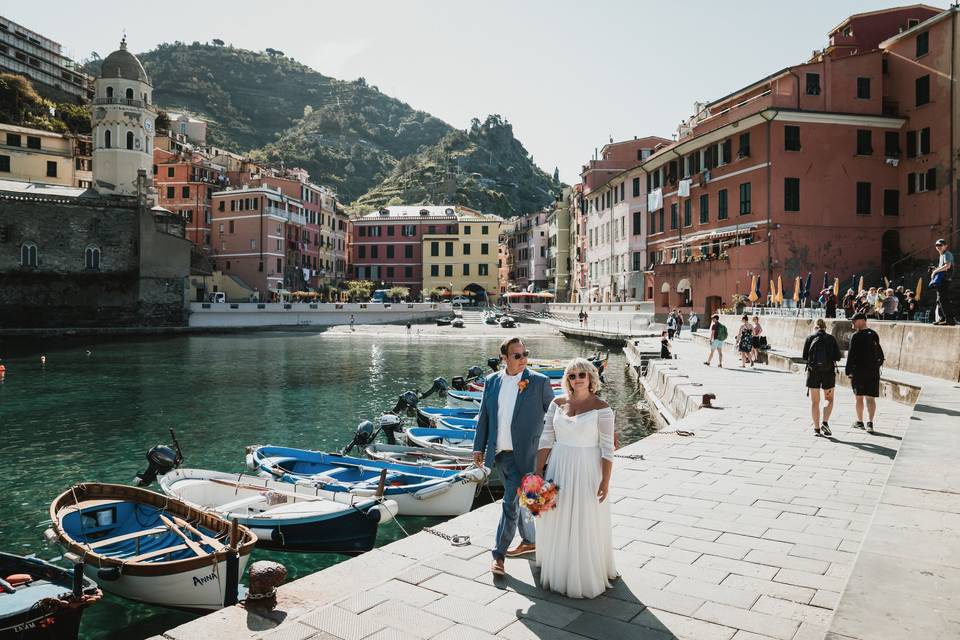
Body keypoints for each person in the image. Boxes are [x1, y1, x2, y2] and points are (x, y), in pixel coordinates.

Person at [535, 357, 617, 599]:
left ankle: (583, 574)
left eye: (582, 374)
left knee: (583, 517)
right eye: (572, 375)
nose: (577, 379)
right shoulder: (556, 403)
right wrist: (539, 472)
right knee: (557, 516)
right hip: (558, 466)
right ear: (567, 379)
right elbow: (546, 439)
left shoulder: (602, 407)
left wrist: (605, 480)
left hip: (587, 468)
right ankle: (559, 567)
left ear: (591, 377)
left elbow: (607, 448)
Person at [472, 337, 554, 576]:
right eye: (516, 355)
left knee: (509, 503)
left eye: (524, 354)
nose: (522, 359)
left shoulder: (539, 382)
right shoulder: (491, 381)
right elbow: (484, 417)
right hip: (499, 454)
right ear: (504, 358)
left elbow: (554, 417)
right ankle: (529, 540)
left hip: (526, 454)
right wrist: (479, 447)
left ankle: (498, 556)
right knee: (522, 500)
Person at [802, 319, 842, 436]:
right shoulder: (831, 339)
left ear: (815, 327)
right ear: (825, 327)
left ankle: (816, 429)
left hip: (813, 372)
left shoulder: (810, 338)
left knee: (815, 402)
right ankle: (825, 422)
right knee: (829, 399)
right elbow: (838, 357)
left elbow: (805, 357)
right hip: (828, 373)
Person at [845, 312, 883, 434]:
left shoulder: (855, 336)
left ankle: (860, 421)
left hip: (859, 372)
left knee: (859, 397)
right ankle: (870, 423)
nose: (852, 323)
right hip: (873, 371)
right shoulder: (873, 334)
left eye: (854, 321)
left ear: (862, 320)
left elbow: (851, 355)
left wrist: (848, 370)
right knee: (870, 398)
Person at [931, 238, 955, 325]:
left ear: (945, 246)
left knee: (943, 299)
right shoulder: (942, 255)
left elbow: (947, 266)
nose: (938, 247)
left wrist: (935, 271)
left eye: (940, 245)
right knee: (939, 299)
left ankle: (949, 319)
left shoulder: (947, 254)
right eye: (937, 245)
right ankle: (942, 318)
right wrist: (936, 269)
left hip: (945, 280)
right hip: (942, 280)